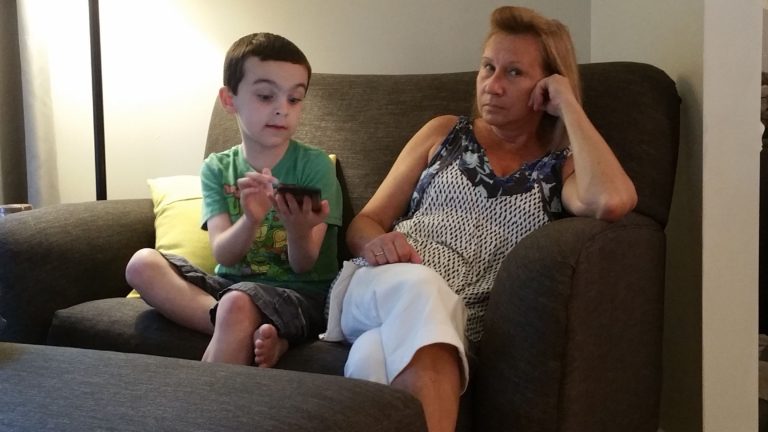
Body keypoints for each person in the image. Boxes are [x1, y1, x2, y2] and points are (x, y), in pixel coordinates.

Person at [328, 6, 637, 432]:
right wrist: (375, 243)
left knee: (372, 358)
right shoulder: (443, 132)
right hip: (382, 285)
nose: (492, 85)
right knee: (421, 287)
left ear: (546, 86)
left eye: (514, 72)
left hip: (458, 321)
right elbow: (367, 220)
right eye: (488, 67)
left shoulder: (558, 167)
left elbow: (614, 200)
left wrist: (568, 104)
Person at [125, 32, 342, 368]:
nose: (282, 109)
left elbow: (305, 265)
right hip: (231, 285)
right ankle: (243, 325)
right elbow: (223, 254)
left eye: (294, 99)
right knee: (141, 264)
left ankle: (238, 330)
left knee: (237, 303)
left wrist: (297, 230)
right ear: (229, 100)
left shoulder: (314, 166)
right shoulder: (217, 168)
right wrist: (250, 219)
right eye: (266, 96)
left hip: (302, 294)